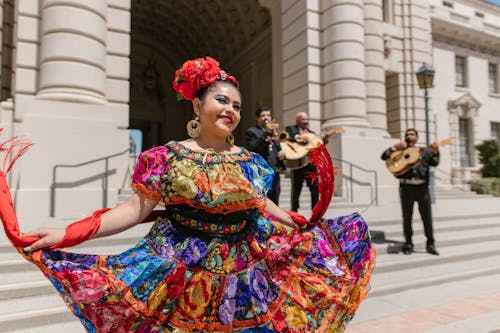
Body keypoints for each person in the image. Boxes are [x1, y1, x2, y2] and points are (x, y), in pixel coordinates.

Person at [0, 56, 375, 332]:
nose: (230, 109)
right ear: (198, 105)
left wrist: (298, 222)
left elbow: (261, 204)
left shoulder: (251, 162)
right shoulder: (164, 158)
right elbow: (131, 211)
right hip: (180, 269)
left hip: (246, 268)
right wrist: (66, 234)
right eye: (222, 100)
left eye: (236, 105)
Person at [381, 128, 440, 256]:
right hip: (406, 188)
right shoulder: (400, 151)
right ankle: (408, 243)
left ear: (417, 138)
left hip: (422, 189)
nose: (409, 136)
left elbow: (435, 163)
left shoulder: (425, 152)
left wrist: (436, 152)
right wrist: (394, 147)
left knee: (427, 217)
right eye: (407, 134)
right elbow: (384, 156)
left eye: (412, 134)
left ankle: (430, 244)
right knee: (407, 217)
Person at [285, 112, 328, 212]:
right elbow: (288, 139)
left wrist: (324, 138)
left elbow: (319, 145)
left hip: (311, 165)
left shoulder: (311, 132)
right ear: (298, 120)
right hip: (298, 164)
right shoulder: (290, 129)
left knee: (315, 189)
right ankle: (294, 211)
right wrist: (299, 138)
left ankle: (315, 211)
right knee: (296, 189)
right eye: (304, 119)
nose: (306, 122)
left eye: (307, 119)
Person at [244, 106, 285, 205]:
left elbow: (278, 149)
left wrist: (283, 155)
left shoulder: (274, 133)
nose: (266, 117)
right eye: (263, 115)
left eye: (268, 115)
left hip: (275, 171)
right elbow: (253, 148)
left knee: (275, 202)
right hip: (260, 173)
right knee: (262, 202)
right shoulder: (251, 132)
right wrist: (266, 133)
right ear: (257, 118)